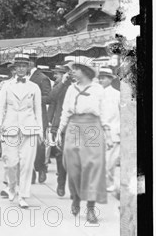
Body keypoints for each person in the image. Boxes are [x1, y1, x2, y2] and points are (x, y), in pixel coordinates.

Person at [55, 58, 108, 223]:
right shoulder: (71, 89)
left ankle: (91, 208)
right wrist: (59, 131)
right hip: (74, 127)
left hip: (92, 127)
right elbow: (65, 111)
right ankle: (76, 197)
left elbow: (104, 112)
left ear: (85, 71)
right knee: (73, 165)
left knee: (92, 166)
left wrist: (108, 134)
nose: (73, 72)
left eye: (75, 69)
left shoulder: (98, 89)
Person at [0, 53, 43, 209]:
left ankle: (23, 195)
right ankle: (11, 186)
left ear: (27, 68)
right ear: (14, 69)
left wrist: (40, 131)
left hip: (29, 129)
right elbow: (0, 108)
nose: (21, 69)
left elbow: (38, 110)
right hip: (10, 128)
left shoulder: (34, 87)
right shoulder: (6, 86)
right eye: (18, 67)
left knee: (27, 164)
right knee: (11, 163)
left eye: (24, 66)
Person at [26, 51, 52, 185]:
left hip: (39, 116)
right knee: (26, 145)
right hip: (25, 117)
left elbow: (48, 98)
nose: (25, 65)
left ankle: (41, 168)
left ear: (33, 62)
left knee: (39, 145)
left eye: (28, 62)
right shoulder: (21, 78)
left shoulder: (42, 78)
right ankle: (30, 173)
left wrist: (33, 98)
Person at [47, 63, 73, 197]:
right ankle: (61, 183)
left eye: (57, 73)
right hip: (60, 124)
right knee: (60, 156)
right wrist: (62, 82)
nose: (55, 76)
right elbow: (52, 98)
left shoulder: (76, 86)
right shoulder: (59, 86)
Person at [97, 66, 120, 194]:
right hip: (98, 132)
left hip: (113, 132)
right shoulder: (95, 93)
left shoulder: (117, 95)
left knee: (110, 163)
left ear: (110, 79)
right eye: (100, 78)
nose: (101, 80)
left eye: (104, 78)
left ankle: (109, 184)